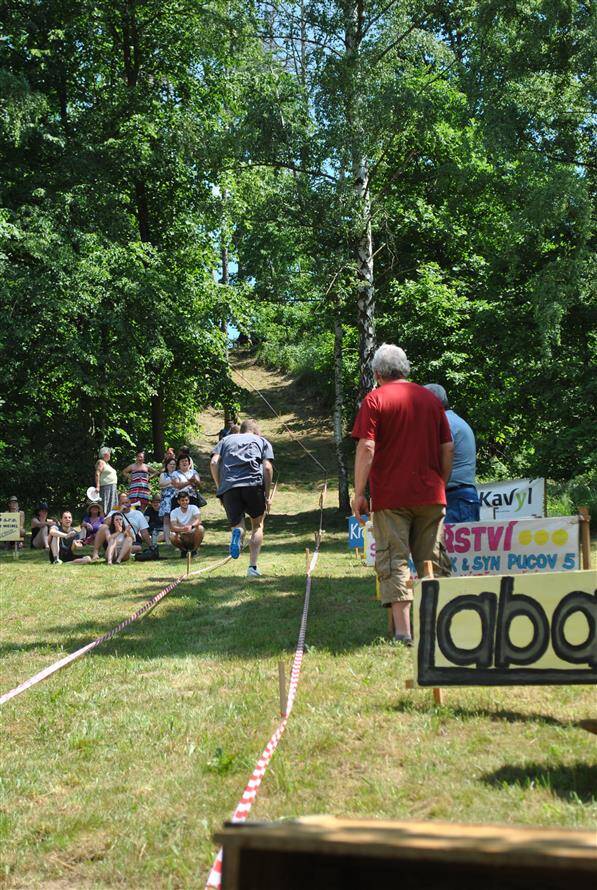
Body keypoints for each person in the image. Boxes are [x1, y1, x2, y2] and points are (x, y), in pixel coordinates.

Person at [351, 344, 453, 646]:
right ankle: (437, 629)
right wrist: (440, 482)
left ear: (377, 374)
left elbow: (366, 447)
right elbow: (448, 448)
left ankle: (404, 633)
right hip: (431, 494)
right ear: (405, 369)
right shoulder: (431, 400)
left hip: (391, 497)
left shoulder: (374, 400)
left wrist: (359, 492)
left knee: (394, 559)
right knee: (431, 560)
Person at [210, 418, 274, 577]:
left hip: (229, 487)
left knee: (238, 526)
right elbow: (267, 468)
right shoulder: (261, 441)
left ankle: (237, 534)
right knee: (257, 525)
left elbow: (213, 463)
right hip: (253, 485)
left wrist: (220, 488)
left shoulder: (225, 440)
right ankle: (252, 567)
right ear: (255, 430)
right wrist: (267, 495)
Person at [424, 384, 480, 524]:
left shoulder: (445, 423)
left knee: (450, 539)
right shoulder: (454, 420)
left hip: (455, 497)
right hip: (461, 497)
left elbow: (440, 455)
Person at [90, 493, 152, 559]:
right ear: (119, 505)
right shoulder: (113, 512)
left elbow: (144, 532)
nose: (125, 504)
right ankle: (96, 553)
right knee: (103, 527)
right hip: (113, 540)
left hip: (129, 541)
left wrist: (151, 546)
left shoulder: (138, 514)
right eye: (122, 503)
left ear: (130, 503)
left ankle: (116, 553)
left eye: (126, 502)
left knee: (138, 548)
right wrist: (119, 512)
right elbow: (105, 523)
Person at [169, 491, 205, 558]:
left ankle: (194, 550)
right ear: (178, 502)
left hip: (192, 533)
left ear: (189, 500)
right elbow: (173, 527)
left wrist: (191, 526)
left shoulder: (194, 508)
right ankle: (183, 551)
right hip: (182, 535)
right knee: (172, 535)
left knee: (200, 528)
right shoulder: (174, 512)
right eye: (182, 500)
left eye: (186, 500)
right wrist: (183, 529)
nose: (185, 502)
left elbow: (199, 520)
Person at [158, 456, 178, 544]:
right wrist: (171, 482)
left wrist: (167, 484)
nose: (172, 466)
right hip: (166, 500)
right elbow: (161, 484)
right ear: (167, 465)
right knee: (166, 519)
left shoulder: (178, 474)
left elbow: (178, 484)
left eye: (174, 464)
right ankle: (167, 539)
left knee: (176, 519)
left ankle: (176, 538)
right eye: (170, 464)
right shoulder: (163, 474)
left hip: (176, 499)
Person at [95, 447, 118, 514]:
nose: (110, 455)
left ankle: (111, 518)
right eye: (109, 453)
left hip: (112, 487)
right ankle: (103, 518)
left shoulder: (107, 464)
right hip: (106, 487)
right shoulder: (101, 462)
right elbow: (97, 473)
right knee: (105, 504)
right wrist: (98, 486)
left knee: (112, 505)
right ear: (105, 454)